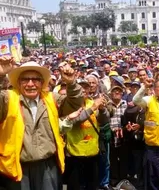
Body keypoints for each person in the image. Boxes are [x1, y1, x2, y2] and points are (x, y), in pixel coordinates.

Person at [0, 56, 83, 190]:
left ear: (42, 82)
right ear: (18, 82)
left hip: (48, 167)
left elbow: (75, 104)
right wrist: (0, 74)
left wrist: (71, 84)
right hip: (17, 167)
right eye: (25, 79)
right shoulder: (8, 98)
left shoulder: (51, 98)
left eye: (36, 80)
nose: (31, 84)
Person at [63, 79, 110, 190]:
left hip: (92, 152)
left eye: (86, 87)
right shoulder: (70, 104)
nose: (84, 90)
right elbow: (74, 121)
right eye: (81, 87)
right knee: (75, 186)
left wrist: (102, 110)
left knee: (92, 185)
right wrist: (93, 108)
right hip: (75, 153)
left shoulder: (91, 102)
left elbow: (104, 120)